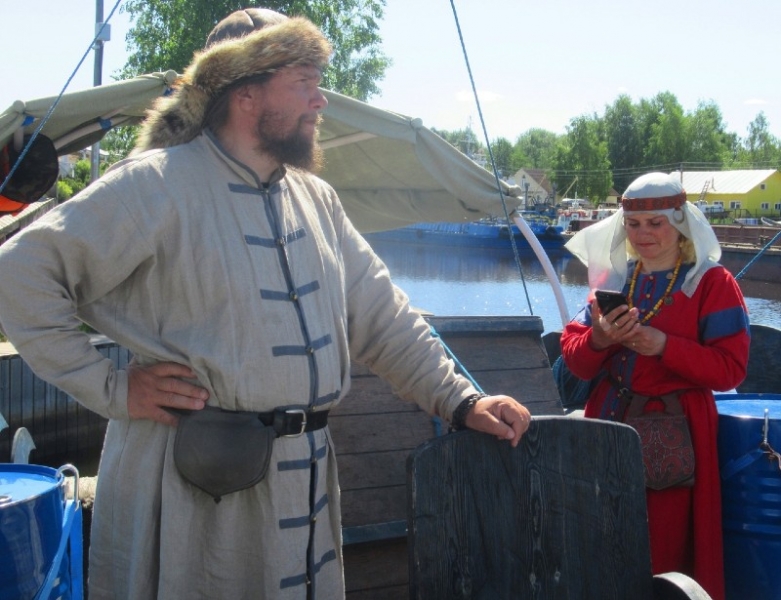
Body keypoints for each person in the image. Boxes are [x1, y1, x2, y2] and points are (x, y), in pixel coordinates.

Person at [0, 8, 532, 599]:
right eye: (304, 81)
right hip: (194, 492)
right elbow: (17, 275)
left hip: (304, 484)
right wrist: (112, 387)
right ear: (245, 92)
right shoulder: (156, 184)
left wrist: (461, 400)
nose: (320, 100)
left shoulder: (318, 200)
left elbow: (384, 317)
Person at [560, 172, 750, 600]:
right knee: (601, 537)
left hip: (676, 430)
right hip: (608, 425)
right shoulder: (614, 280)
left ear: (680, 223)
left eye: (655, 223)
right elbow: (576, 362)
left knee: (664, 547)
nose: (642, 233)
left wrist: (665, 346)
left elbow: (731, 370)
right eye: (633, 224)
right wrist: (600, 339)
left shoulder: (712, 284)